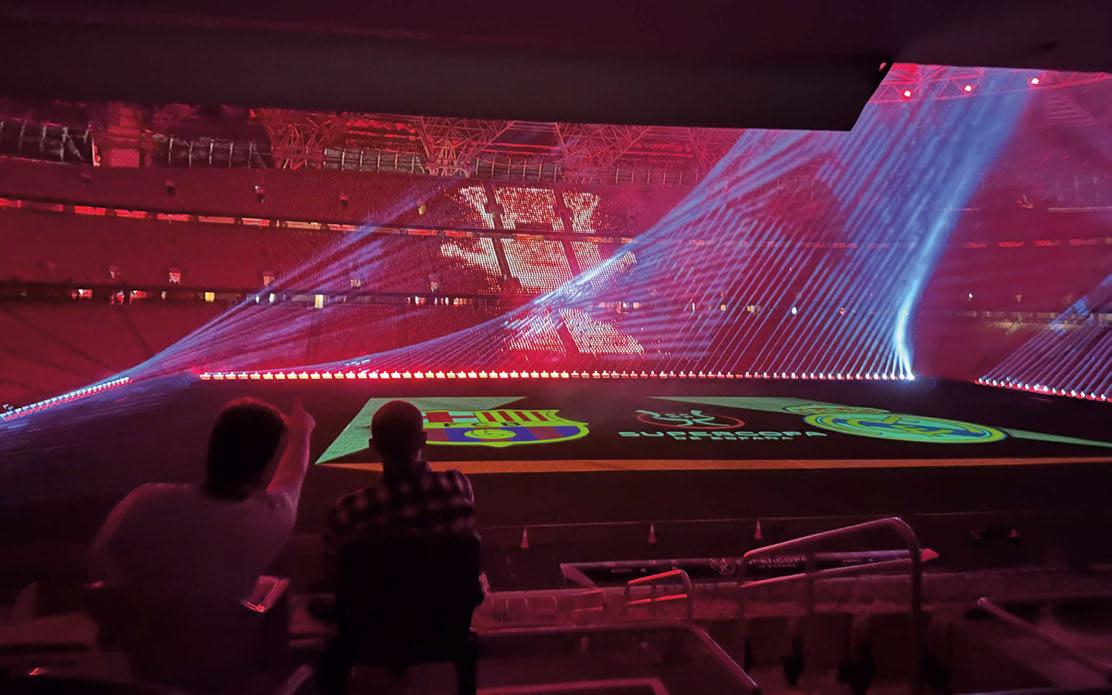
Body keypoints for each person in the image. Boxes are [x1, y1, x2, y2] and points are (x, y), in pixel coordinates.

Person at [91, 397, 315, 603]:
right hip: (220, 634)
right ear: (265, 469)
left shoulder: (144, 501)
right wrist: (302, 432)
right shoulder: (270, 519)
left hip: (137, 631)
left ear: (212, 448)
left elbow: (101, 557)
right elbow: (292, 474)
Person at [322, 400, 477, 579]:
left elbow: (333, 573)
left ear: (373, 446)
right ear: (423, 439)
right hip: (450, 596)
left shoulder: (347, 512)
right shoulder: (457, 485)